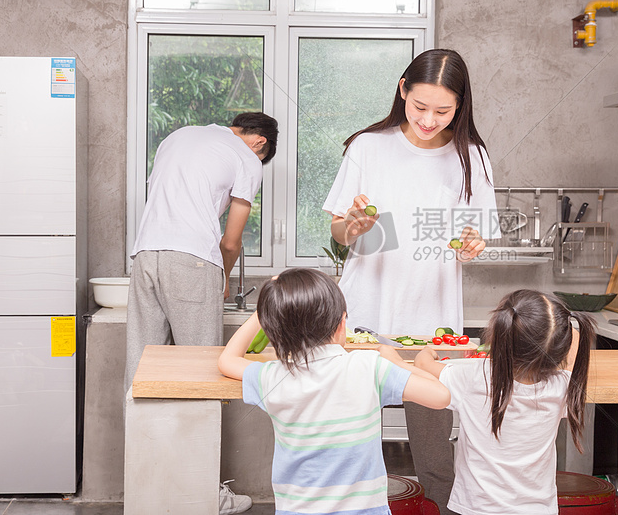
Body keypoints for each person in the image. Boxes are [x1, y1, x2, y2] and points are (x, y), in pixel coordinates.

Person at [322, 48, 499, 513]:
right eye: (420, 106)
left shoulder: (471, 157)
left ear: (461, 105)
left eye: (443, 111)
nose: (428, 119)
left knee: (436, 452)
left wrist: (472, 244)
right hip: (362, 320)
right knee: (353, 443)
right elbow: (340, 230)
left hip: (434, 329)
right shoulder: (368, 147)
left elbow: (476, 238)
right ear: (402, 89)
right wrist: (353, 227)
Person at [125, 111, 277, 515]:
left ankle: (145, 489)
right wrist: (222, 277)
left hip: (145, 257)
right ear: (260, 143)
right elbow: (231, 240)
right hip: (192, 262)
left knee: (142, 373)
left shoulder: (178, 135)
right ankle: (204, 495)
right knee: (204, 377)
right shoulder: (247, 159)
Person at [218, 268, 451, 515]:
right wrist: (399, 362)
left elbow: (227, 360)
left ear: (274, 330)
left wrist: (263, 310)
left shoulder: (274, 376)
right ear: (342, 323)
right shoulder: (369, 366)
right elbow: (441, 396)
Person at [414, 289, 596, 515]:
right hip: (537, 510)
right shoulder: (563, 386)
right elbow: (574, 347)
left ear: (499, 337)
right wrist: (565, 326)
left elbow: (422, 366)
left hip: (477, 509)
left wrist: (428, 351)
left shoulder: (474, 378)